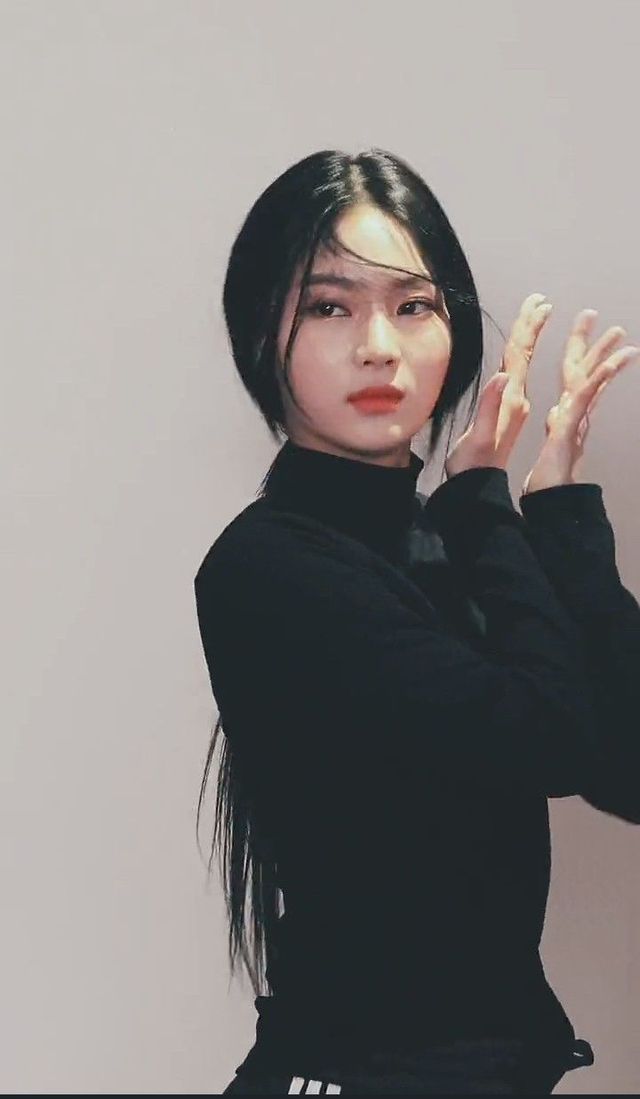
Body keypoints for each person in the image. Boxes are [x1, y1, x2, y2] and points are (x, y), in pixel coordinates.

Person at [193, 148, 640, 1095]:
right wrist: (485, 499)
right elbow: (549, 738)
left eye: (412, 305)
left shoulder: (456, 538)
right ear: (260, 329)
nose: (377, 346)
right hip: (355, 1071)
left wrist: (559, 508)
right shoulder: (269, 569)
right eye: (329, 307)